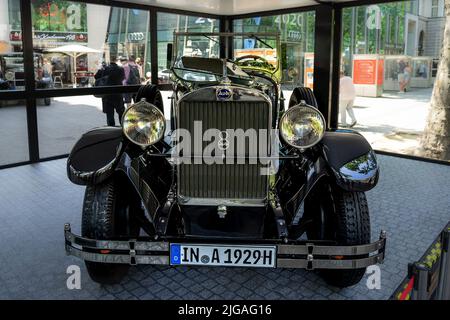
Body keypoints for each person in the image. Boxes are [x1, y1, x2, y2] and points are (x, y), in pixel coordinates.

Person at [94, 56, 125, 126]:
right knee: (121, 112)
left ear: (110, 60)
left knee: (109, 114)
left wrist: (101, 69)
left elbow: (96, 77)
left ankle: (111, 128)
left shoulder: (105, 69)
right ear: (117, 60)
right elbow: (123, 78)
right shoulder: (120, 69)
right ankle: (123, 127)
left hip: (107, 94)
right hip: (118, 93)